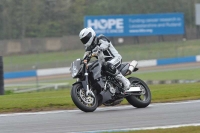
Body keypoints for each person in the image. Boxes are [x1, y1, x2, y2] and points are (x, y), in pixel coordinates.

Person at [79, 27, 130, 91]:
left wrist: (99, 49)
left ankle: (125, 81)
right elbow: (85, 57)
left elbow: (106, 44)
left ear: (91, 35)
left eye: (86, 38)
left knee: (107, 65)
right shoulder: (88, 48)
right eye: (83, 40)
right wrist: (82, 63)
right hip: (103, 65)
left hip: (115, 58)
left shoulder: (101, 38)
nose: (85, 40)